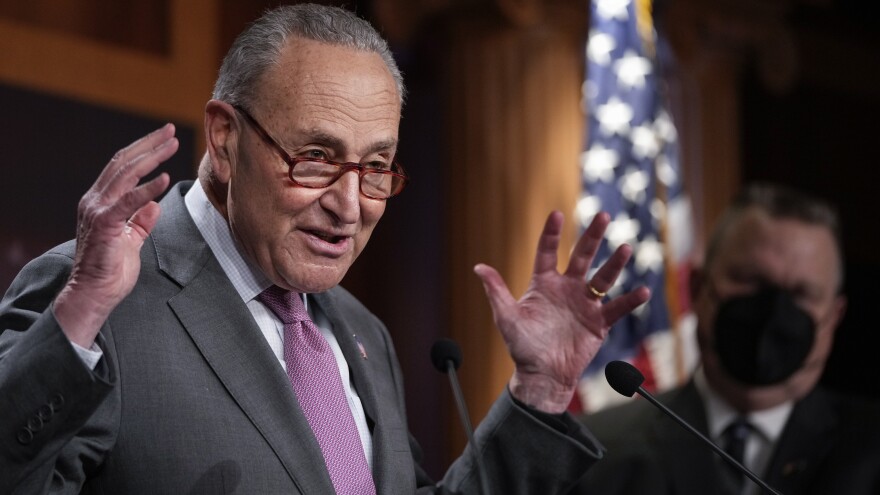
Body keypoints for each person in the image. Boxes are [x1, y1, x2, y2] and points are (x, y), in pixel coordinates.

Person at [0, 4, 650, 494]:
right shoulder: (91, 299)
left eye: (376, 166)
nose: (350, 203)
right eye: (315, 157)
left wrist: (537, 390)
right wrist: (77, 316)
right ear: (225, 140)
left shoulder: (358, 328)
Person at [573, 183, 880, 495]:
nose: (775, 311)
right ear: (696, 287)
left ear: (835, 316)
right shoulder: (594, 452)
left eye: (801, 294)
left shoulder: (870, 450)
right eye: (750, 280)